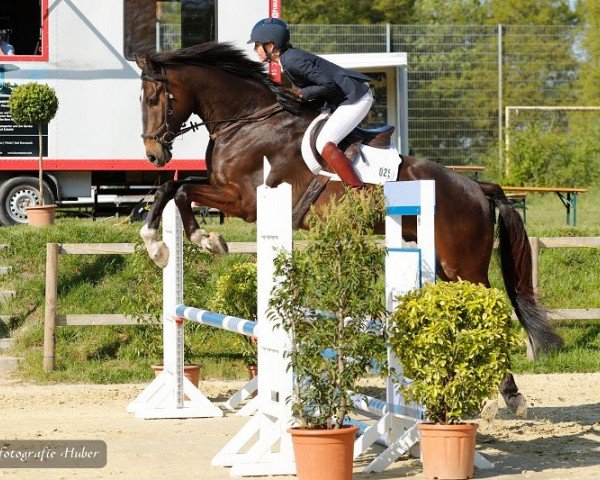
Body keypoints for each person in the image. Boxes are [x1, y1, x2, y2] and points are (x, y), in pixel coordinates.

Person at [248, 18, 373, 189]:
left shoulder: (292, 61)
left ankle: (359, 191)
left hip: (356, 98)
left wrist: (301, 93)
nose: (255, 49)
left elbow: (327, 84)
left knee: (324, 142)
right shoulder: (288, 60)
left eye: (257, 44)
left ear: (270, 46)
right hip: (343, 99)